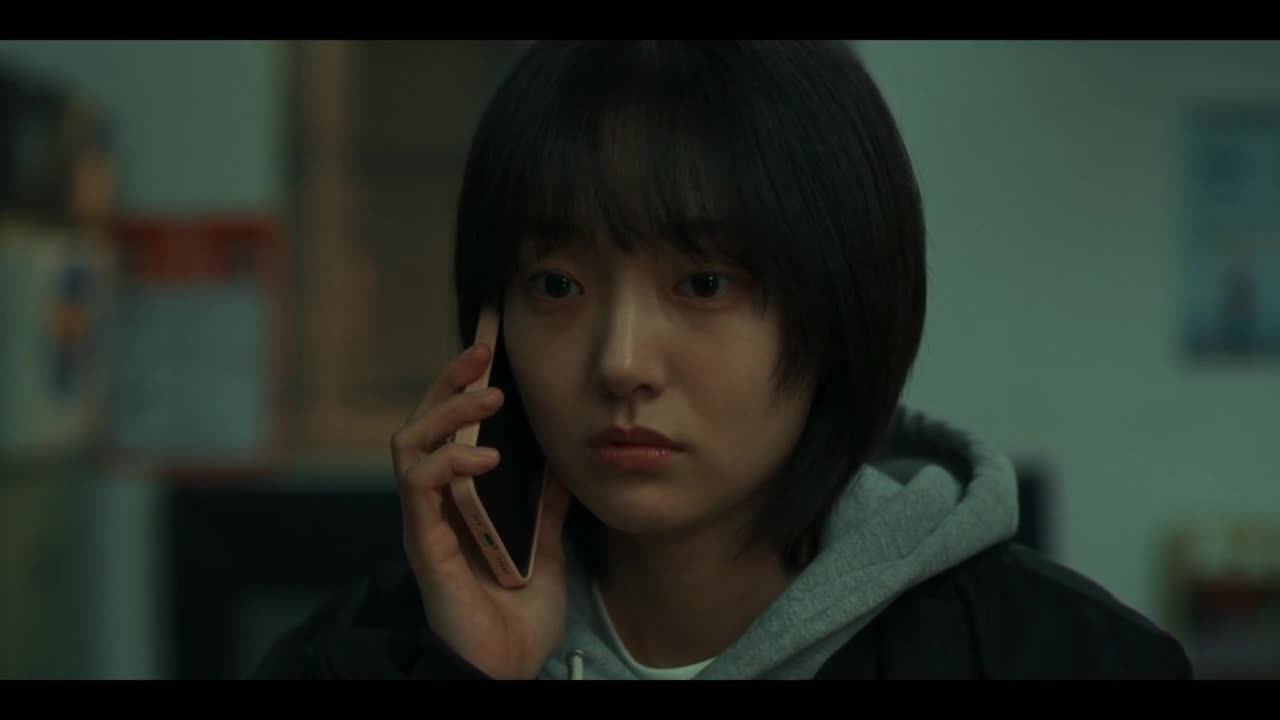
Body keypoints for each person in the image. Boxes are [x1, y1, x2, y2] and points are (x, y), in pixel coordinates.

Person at [253, 40, 1193, 680]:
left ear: (839, 305)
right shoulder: (352, 658)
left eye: (703, 284)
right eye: (557, 285)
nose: (621, 363)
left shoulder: (1060, 658)